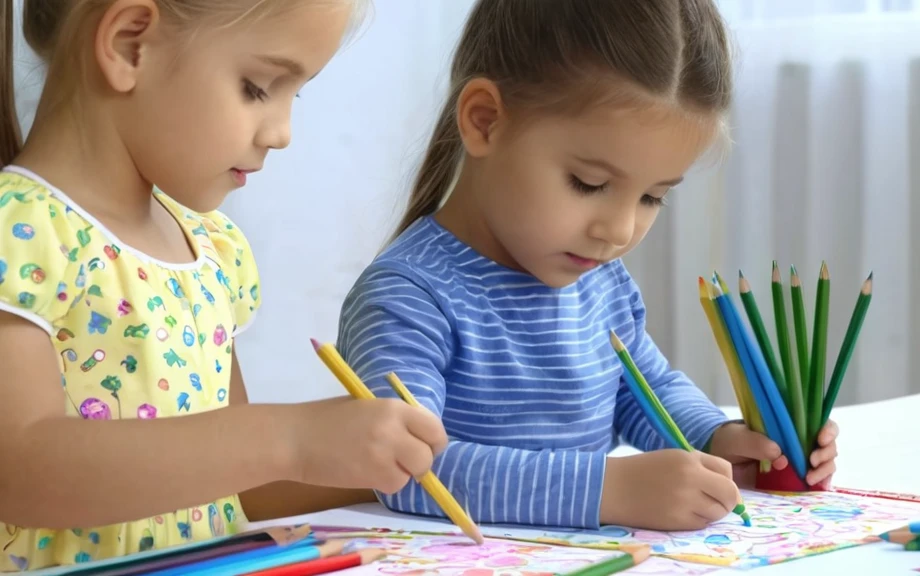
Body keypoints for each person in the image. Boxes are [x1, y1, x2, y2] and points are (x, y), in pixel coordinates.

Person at [338, 0, 840, 532]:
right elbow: (409, 470)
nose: (620, 231)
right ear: (485, 121)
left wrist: (718, 440)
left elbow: (645, 390)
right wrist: (610, 489)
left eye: (652, 197)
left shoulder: (598, 281)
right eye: (590, 184)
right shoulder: (407, 295)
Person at [0, 0, 448, 570]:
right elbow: (18, 471)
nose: (283, 133)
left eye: (296, 94)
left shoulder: (211, 248)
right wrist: (293, 439)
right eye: (258, 87)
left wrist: (363, 459)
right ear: (129, 44)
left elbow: (237, 481)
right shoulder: (18, 233)